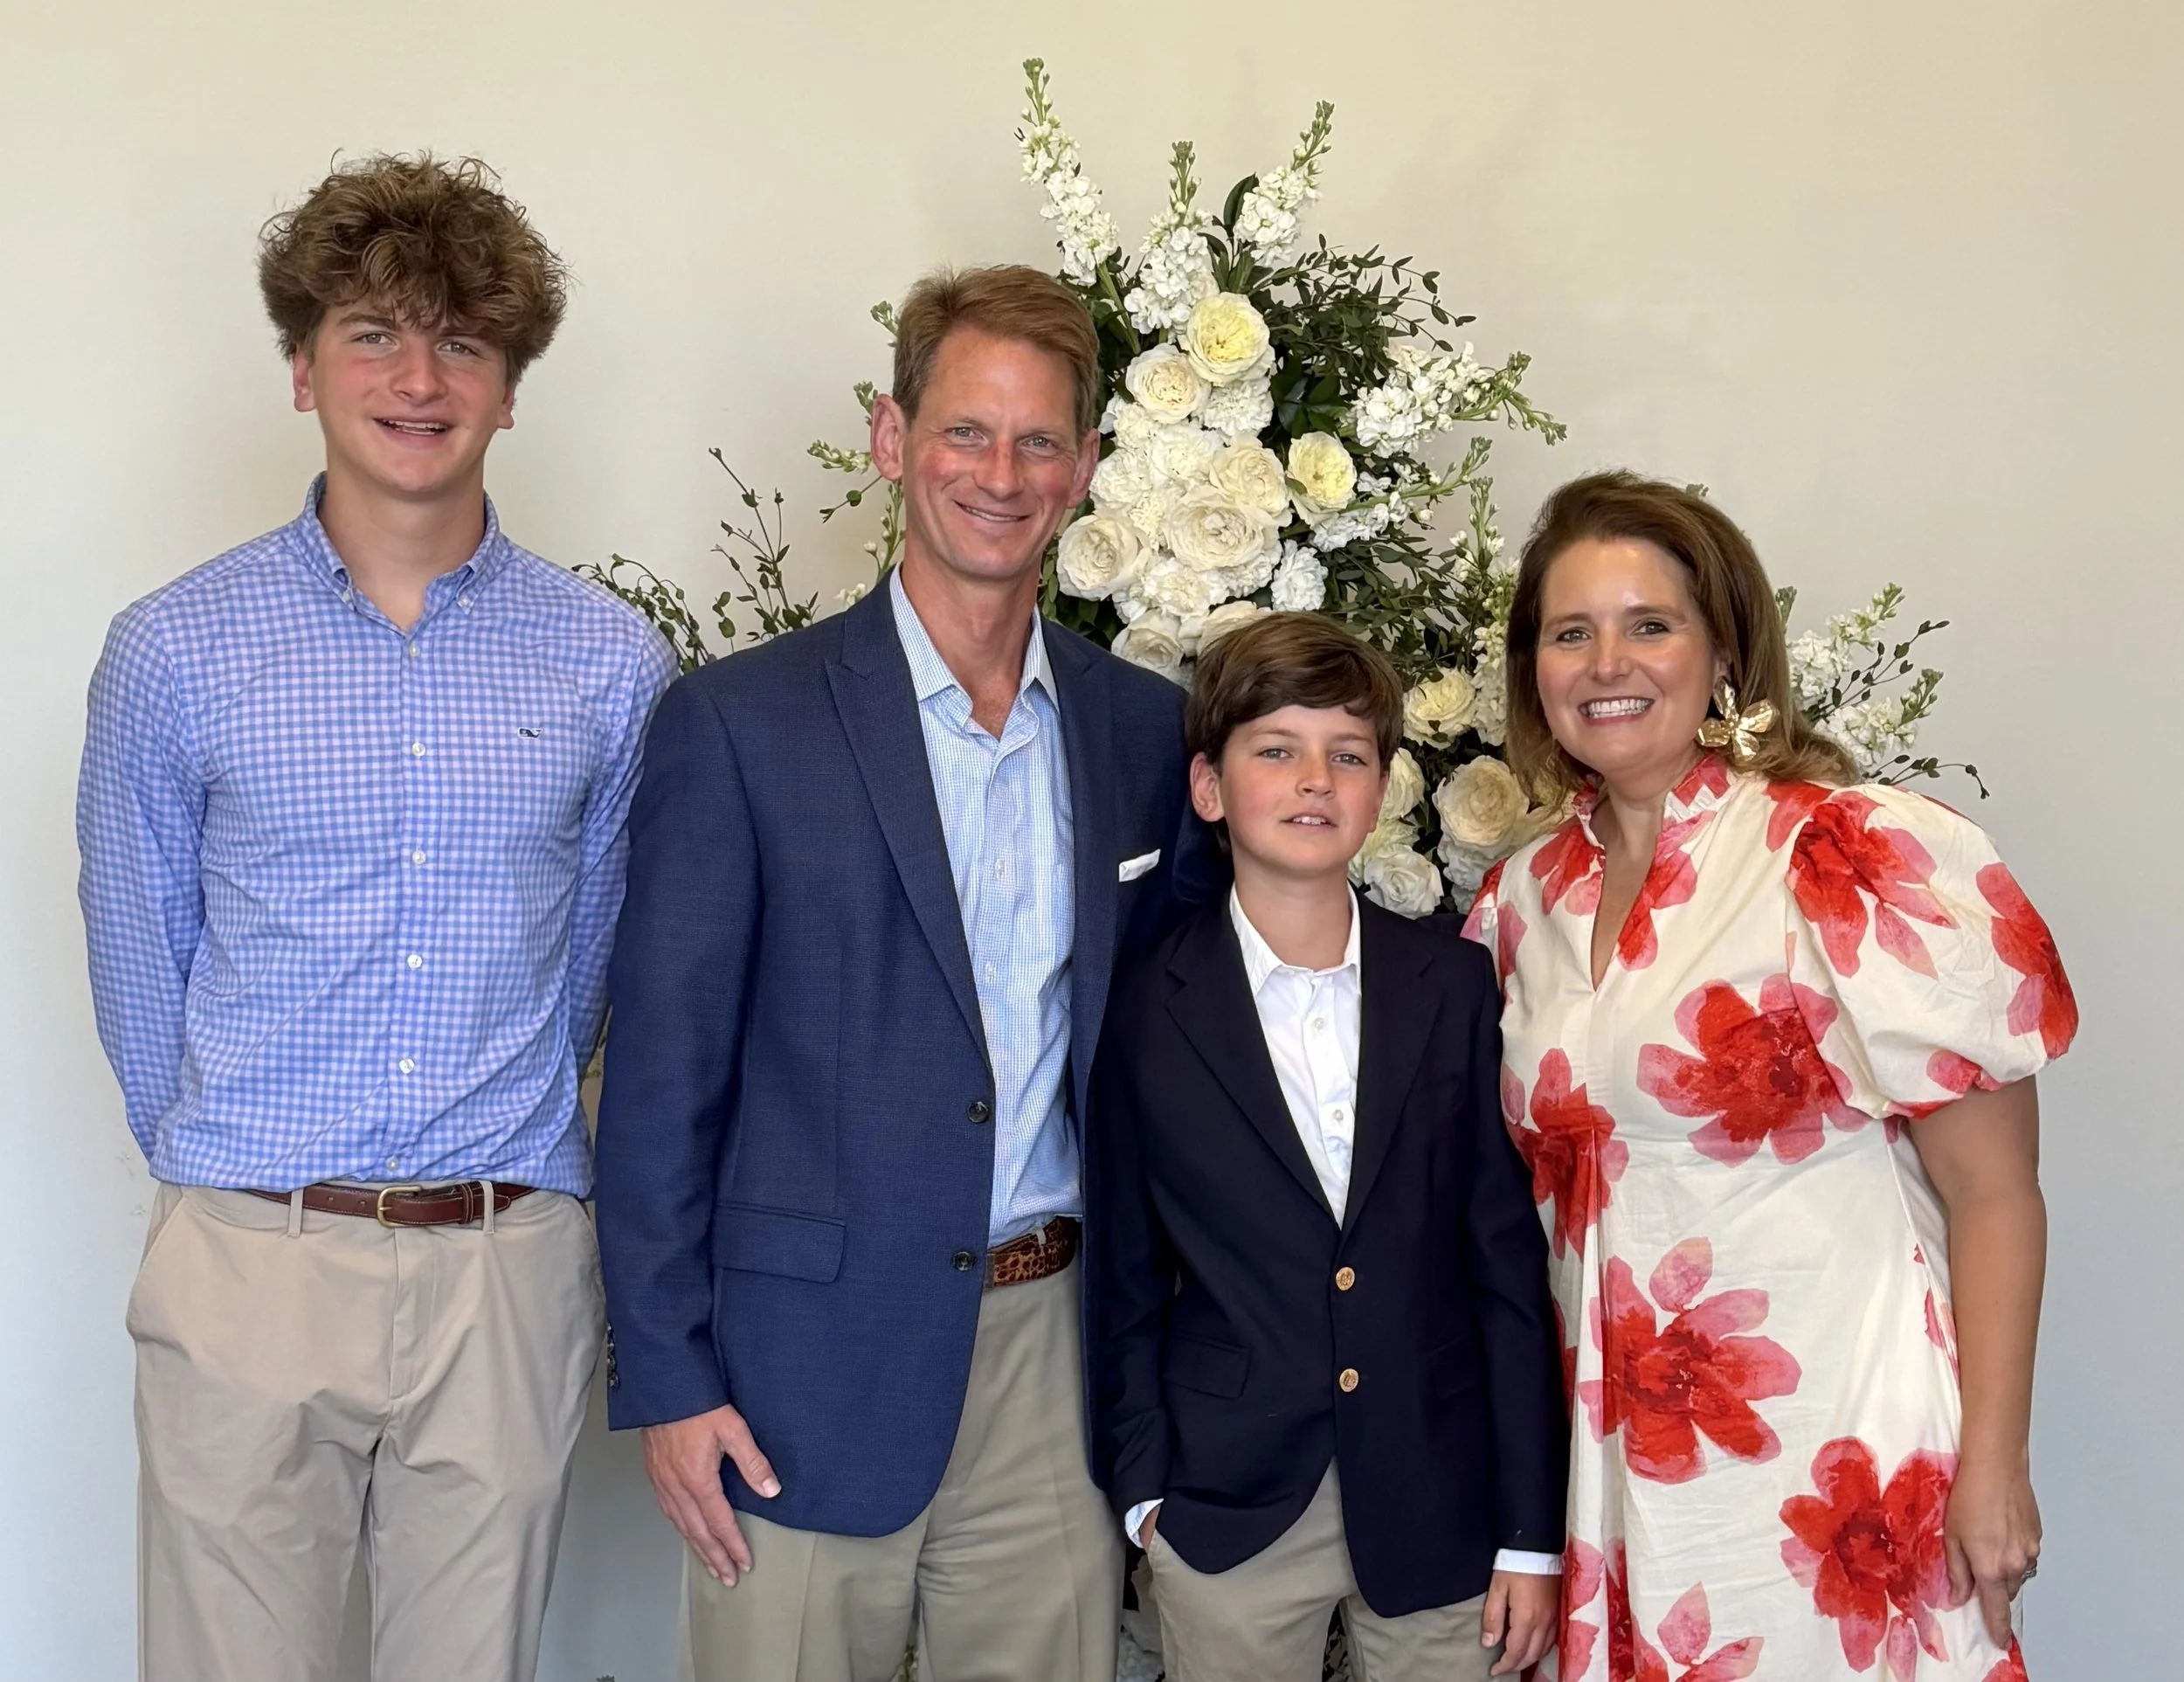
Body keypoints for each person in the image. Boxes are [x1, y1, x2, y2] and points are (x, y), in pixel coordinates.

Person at [77, 155, 674, 1680]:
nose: (419, 381)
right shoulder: (176, 651)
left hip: (502, 1267)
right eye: (372, 336)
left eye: (462, 342)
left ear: (511, 388)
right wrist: (241, 1198)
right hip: (250, 1256)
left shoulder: (609, 666)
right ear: (301, 369)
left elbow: (593, 968)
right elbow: (141, 964)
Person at [593, 264, 1213, 1682]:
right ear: (891, 437)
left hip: (1052, 1369)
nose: (1002, 475)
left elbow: (1167, 1061)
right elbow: (662, 1086)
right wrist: (670, 1378)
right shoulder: (739, 726)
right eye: (965, 432)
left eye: (1040, 441)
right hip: (797, 1373)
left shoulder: (1140, 734)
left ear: (1086, 468)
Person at [1464, 472, 2072, 1681]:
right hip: (1616, 1468)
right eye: (1569, 632)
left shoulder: (1837, 849)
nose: (1605, 663)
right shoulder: (1522, 900)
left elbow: (1997, 1191)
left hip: (1841, 1450)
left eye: (1649, 623)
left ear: (1724, 650)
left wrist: (1996, 1464)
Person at [1091, 613, 1567, 1682]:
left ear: (1381, 789)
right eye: (1276, 749)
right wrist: (1142, 1490)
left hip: (1442, 1490)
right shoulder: (1142, 1005)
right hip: (1227, 1500)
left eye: (1347, 755)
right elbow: (1124, 1275)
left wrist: (1531, 1530)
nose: (1314, 779)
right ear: (1208, 787)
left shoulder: (1451, 983)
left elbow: (1503, 1267)